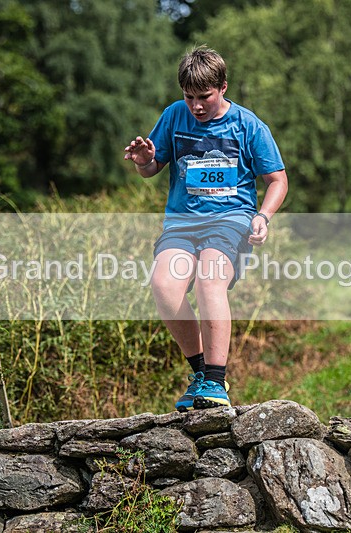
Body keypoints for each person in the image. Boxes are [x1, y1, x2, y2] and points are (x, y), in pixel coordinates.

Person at [123, 46, 288, 412]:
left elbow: (278, 180)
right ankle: (199, 372)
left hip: (231, 221)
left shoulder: (248, 125)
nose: (196, 106)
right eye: (189, 97)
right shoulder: (174, 116)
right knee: (164, 285)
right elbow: (152, 168)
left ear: (223, 87)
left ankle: (216, 381)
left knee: (208, 279)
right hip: (182, 222)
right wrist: (145, 161)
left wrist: (263, 216)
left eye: (204, 97)